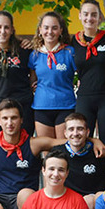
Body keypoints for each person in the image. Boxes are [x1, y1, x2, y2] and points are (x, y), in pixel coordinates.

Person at [70, 0, 105, 149]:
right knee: (82, 141)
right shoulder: (74, 41)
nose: (89, 18)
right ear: (80, 16)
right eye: (86, 14)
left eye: (94, 14)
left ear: (99, 17)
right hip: (85, 96)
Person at [0, 10, 35, 138]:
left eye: (6, 27)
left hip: (22, 104)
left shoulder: (24, 50)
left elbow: (33, 75)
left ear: (12, 29)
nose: (3, 31)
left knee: (25, 143)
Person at [29, 10, 76, 139]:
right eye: (46, 28)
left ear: (61, 30)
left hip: (66, 105)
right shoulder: (34, 55)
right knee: (45, 148)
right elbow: (32, 79)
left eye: (54, 28)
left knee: (63, 146)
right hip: (41, 106)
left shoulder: (70, 52)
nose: (50, 32)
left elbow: (83, 74)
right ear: (40, 30)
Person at [61, 112, 105, 209]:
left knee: (91, 200)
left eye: (80, 129)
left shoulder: (99, 153)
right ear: (65, 133)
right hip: (67, 202)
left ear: (87, 132)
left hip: (92, 204)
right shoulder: (58, 153)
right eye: (71, 129)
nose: (75, 133)